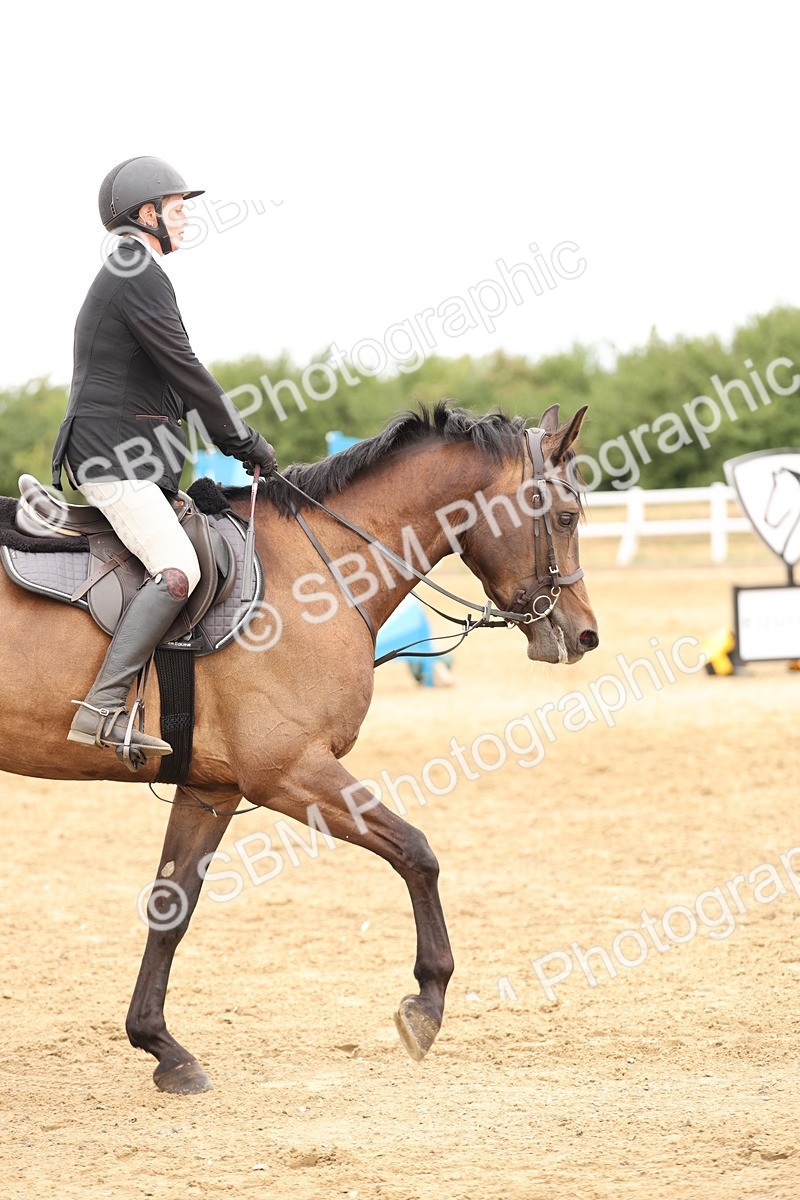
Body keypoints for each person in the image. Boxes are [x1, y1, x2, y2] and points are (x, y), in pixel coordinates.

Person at [51, 156, 276, 764]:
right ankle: (101, 708)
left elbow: (167, 389)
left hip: (132, 460)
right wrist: (244, 441)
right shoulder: (135, 268)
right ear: (145, 214)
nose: (186, 221)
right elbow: (188, 371)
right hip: (111, 460)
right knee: (178, 569)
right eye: (177, 210)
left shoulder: (132, 269)